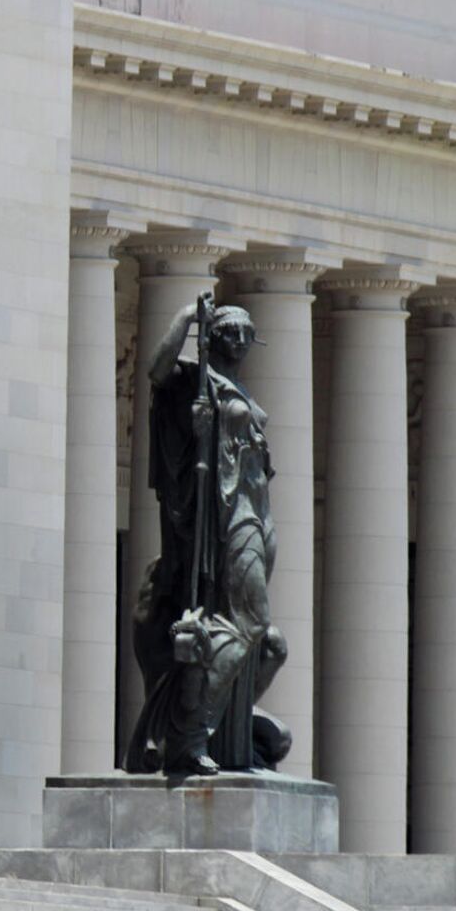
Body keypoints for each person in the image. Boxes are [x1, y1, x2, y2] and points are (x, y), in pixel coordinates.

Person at [125, 293, 290, 775]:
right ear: (213, 336)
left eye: (245, 332)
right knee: (250, 621)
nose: (239, 339)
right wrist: (183, 319)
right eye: (229, 330)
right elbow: (157, 370)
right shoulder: (194, 383)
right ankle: (188, 734)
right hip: (226, 513)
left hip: (255, 513)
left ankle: (222, 723)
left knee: (268, 641)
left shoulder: (235, 388)